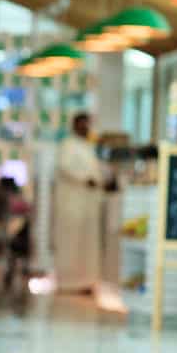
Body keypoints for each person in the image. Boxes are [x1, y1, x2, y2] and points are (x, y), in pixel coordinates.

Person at [54, 112, 104, 294]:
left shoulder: (88, 146)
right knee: (70, 242)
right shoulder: (68, 145)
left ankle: (86, 281)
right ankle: (67, 281)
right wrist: (85, 179)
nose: (86, 128)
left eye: (88, 124)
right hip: (71, 204)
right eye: (82, 124)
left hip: (88, 203)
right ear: (75, 125)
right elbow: (66, 167)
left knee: (86, 245)